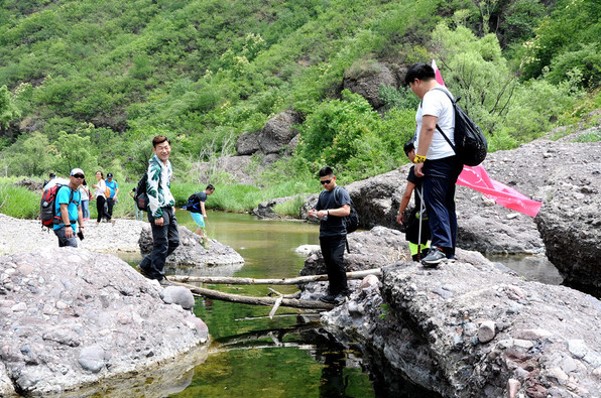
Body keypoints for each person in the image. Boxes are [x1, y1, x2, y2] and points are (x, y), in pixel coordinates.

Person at [404, 62, 463, 267]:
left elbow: (428, 128)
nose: (413, 91)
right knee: (446, 203)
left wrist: (419, 159)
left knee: (434, 201)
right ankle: (449, 250)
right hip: (451, 158)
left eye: (411, 86)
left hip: (438, 159)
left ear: (417, 81)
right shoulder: (444, 93)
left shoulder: (431, 97)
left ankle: (439, 248)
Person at [138, 135, 179, 286]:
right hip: (158, 209)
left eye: (166, 147)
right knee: (161, 244)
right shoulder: (154, 167)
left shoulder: (167, 165)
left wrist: (171, 202)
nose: (164, 150)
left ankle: (145, 265)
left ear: (170, 148)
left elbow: (165, 187)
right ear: (154, 150)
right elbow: (151, 190)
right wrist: (157, 214)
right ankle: (156, 276)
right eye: (160, 148)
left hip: (167, 206)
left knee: (174, 241)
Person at [307, 166, 351, 305]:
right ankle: (332, 292)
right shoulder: (323, 195)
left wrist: (327, 212)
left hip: (338, 233)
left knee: (336, 261)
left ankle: (343, 292)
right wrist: (313, 212)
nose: (325, 185)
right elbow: (318, 209)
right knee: (329, 263)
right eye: (322, 182)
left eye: (327, 181)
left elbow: (346, 211)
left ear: (334, 178)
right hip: (324, 234)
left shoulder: (341, 192)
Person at [396, 141, 431, 261]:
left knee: (412, 232)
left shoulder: (415, 169)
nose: (409, 157)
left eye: (408, 154)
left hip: (422, 209)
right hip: (436, 207)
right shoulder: (434, 165)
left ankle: (417, 257)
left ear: (413, 151)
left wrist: (400, 212)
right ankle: (428, 252)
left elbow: (407, 194)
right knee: (428, 233)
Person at [53, 168, 85, 248]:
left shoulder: (77, 192)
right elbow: (63, 208)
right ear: (70, 177)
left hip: (72, 226)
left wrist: (81, 226)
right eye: (76, 176)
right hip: (62, 225)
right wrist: (67, 226)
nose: (79, 178)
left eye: (81, 176)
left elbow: (79, 209)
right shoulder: (64, 190)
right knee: (73, 247)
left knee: (64, 251)